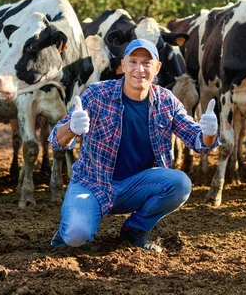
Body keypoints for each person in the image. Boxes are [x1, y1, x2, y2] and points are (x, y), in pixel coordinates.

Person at [48, 38, 219, 252]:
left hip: (135, 188)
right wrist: (72, 127)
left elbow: (199, 143)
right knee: (76, 236)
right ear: (123, 65)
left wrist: (209, 133)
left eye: (147, 63)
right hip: (92, 185)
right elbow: (57, 139)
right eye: (133, 62)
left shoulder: (167, 101)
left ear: (156, 68)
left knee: (180, 184)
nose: (140, 69)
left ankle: (135, 229)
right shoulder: (97, 94)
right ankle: (67, 230)